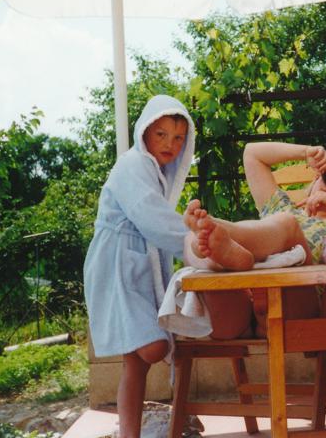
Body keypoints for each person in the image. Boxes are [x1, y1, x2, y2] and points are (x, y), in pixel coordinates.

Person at [83, 95, 195, 438]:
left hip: (139, 263)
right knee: (153, 347)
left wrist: (189, 232)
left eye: (178, 138)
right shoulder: (132, 164)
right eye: (161, 134)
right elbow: (153, 218)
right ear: (143, 132)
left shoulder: (156, 172)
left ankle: (128, 434)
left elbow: (158, 221)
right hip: (117, 263)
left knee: (135, 364)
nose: (170, 144)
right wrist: (195, 246)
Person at [184, 142, 326, 339]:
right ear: (317, 177)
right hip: (237, 314)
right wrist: (305, 152)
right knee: (194, 239)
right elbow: (252, 154)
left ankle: (222, 232)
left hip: (294, 314)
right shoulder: (283, 207)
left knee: (288, 224)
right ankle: (218, 255)